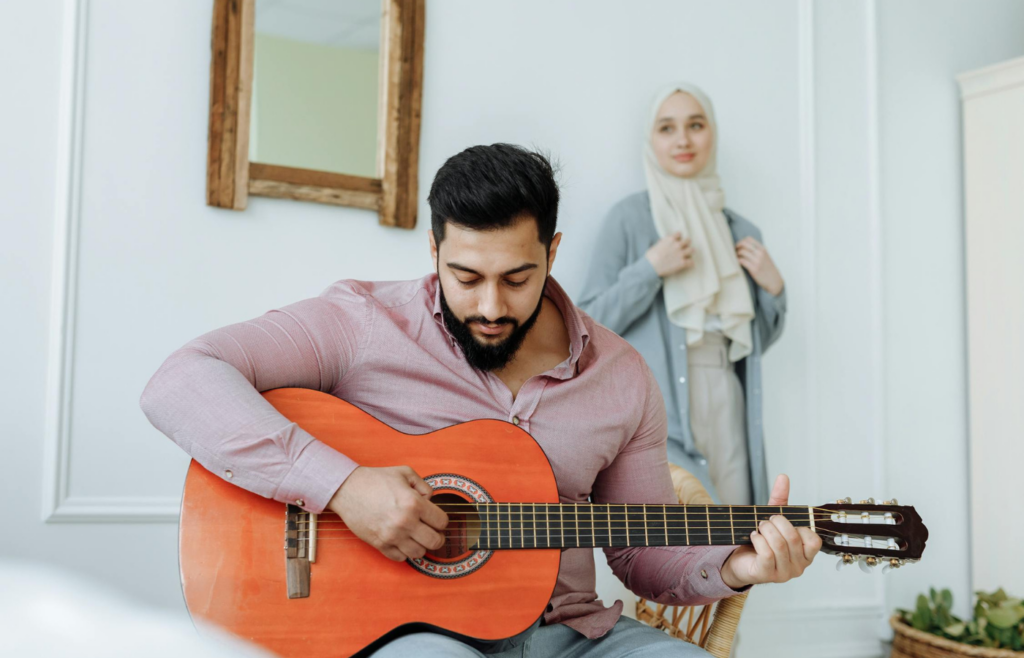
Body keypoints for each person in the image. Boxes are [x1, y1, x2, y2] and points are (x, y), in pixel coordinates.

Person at [141, 144, 818, 657]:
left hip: (569, 637)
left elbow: (643, 554)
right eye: (465, 277)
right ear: (433, 249)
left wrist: (736, 565)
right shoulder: (362, 323)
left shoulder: (622, 375)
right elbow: (181, 380)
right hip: (414, 637)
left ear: (552, 252)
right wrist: (342, 486)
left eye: (517, 278)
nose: (491, 306)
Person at [579, 84, 787, 506]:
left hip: (727, 400)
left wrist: (774, 290)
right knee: (674, 532)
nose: (683, 140)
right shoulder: (628, 219)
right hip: (656, 407)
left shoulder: (742, 230)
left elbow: (753, 344)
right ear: (650, 139)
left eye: (695, 125)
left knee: (736, 525)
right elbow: (587, 326)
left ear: (713, 133)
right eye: (666, 128)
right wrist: (649, 270)